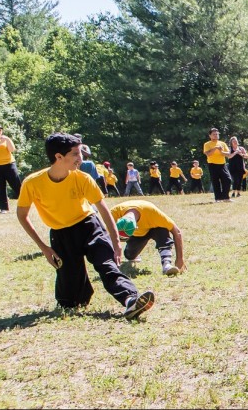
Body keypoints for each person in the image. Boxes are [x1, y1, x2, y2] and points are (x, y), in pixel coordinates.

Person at [14, 133, 155, 319]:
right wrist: (45, 249)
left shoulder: (82, 178)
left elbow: (103, 211)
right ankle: (79, 294)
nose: (81, 158)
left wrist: (115, 243)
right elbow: (22, 216)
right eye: (75, 154)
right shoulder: (32, 183)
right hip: (61, 235)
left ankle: (131, 300)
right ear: (58, 157)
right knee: (70, 301)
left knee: (107, 266)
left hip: (89, 227)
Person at [110, 199, 187, 276]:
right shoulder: (114, 214)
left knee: (162, 230)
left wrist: (180, 259)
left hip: (154, 228)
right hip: (138, 236)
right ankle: (131, 253)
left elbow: (177, 232)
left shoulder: (152, 212)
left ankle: (166, 264)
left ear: (136, 227)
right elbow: (107, 238)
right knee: (130, 255)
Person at [0, 123, 23, 214]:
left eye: (0, 130)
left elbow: (12, 149)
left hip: (9, 164)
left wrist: (7, 140)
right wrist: (0, 142)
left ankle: (26, 202)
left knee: (16, 184)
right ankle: (4, 208)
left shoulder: (5, 138)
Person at [204, 128, 233, 203]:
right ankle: (218, 198)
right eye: (214, 134)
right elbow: (208, 154)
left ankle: (226, 197)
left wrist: (221, 151)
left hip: (222, 164)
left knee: (227, 179)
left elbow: (228, 154)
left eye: (217, 134)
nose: (216, 135)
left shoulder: (222, 143)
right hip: (212, 164)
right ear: (210, 135)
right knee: (215, 182)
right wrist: (215, 148)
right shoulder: (207, 144)